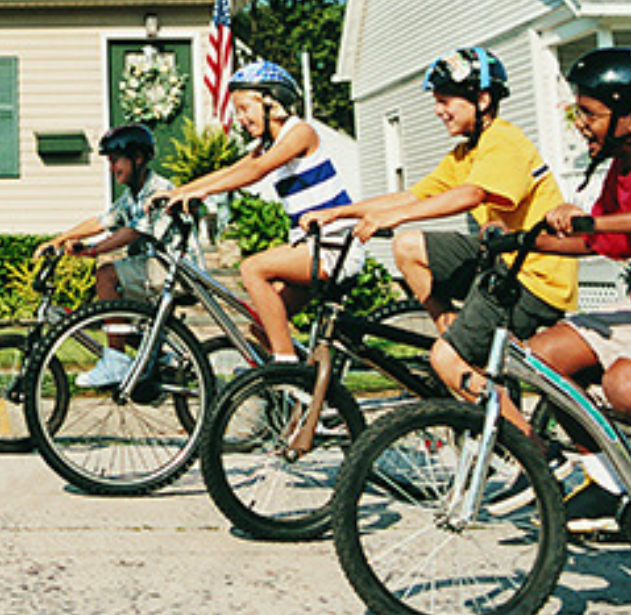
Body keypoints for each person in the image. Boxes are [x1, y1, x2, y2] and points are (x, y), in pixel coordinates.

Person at [302, 46, 577, 405]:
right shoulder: (465, 153)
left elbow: (471, 194)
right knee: (408, 246)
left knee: (446, 361)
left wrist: (396, 217)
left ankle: (534, 452)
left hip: (535, 280)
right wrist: (339, 213)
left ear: (481, 100)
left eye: (445, 100)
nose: (438, 110)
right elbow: (412, 197)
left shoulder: (504, 142)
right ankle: (449, 326)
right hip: (502, 262)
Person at [152, 60, 363, 360]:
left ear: (271, 102)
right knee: (262, 326)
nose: (240, 118)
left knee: (252, 268)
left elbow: (258, 169)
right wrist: (180, 191)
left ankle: (285, 369)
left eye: (244, 109)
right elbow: (233, 170)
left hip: (334, 247)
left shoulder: (300, 132)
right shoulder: (268, 145)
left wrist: (202, 192)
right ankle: (301, 394)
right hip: (312, 247)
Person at [520, 47, 631, 533]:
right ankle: (608, 479)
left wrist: (592, 218)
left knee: (621, 386)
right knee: (542, 358)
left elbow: (606, 224)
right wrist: (522, 242)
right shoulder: (619, 168)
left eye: (590, 113)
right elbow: (598, 240)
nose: (581, 123)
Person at [35, 123, 172, 387]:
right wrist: (60, 239)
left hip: (171, 270)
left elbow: (134, 233)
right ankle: (160, 358)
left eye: (115, 161)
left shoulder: (158, 189)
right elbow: (102, 221)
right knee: (111, 313)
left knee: (107, 275)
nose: (112, 168)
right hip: (151, 271)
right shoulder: (132, 194)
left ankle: (116, 361)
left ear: (138, 158)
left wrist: (93, 250)